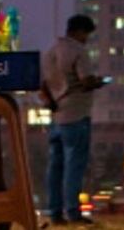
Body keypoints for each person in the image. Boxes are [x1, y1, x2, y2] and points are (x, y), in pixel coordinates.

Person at [41, 14, 106, 225]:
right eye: (86, 34)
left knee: (55, 167)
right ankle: (73, 212)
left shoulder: (50, 52)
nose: (87, 39)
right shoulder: (78, 51)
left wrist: (51, 103)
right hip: (77, 115)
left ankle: (55, 212)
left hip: (57, 116)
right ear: (79, 31)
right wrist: (98, 82)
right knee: (74, 166)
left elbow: (42, 85)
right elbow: (85, 81)